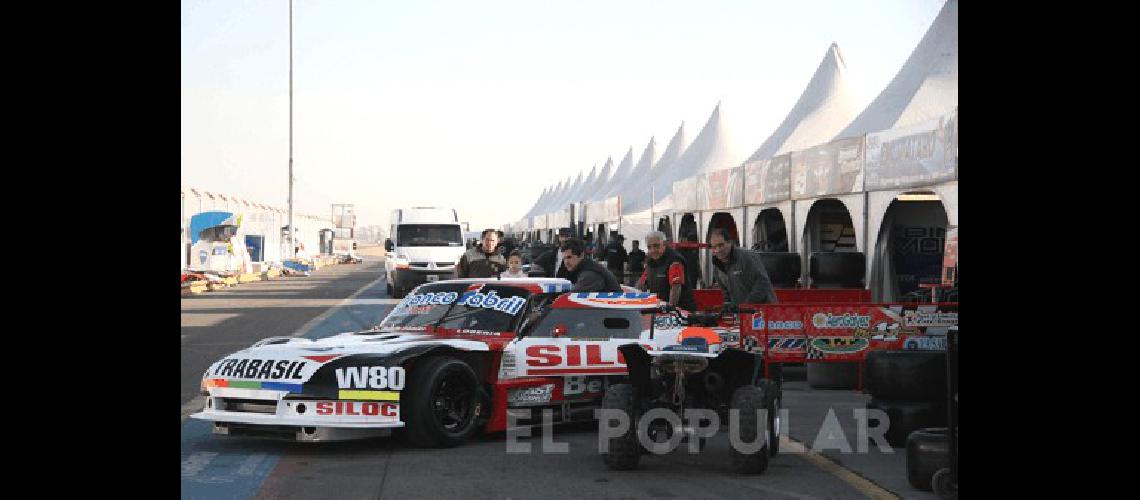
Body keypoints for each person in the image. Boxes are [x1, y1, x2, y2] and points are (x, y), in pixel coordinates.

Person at [708, 227, 778, 308]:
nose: (718, 250)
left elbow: (762, 283)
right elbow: (726, 293)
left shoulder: (746, 257)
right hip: (742, 314)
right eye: (714, 247)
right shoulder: (717, 267)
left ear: (730, 242)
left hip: (765, 312)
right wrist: (728, 307)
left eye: (721, 245)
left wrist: (746, 305)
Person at [639, 231, 697, 311]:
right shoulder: (650, 261)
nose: (653, 250)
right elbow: (641, 284)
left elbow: (675, 288)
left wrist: (669, 310)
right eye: (649, 247)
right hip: (661, 307)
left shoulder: (674, 260)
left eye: (656, 246)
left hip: (681, 310)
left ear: (664, 244)